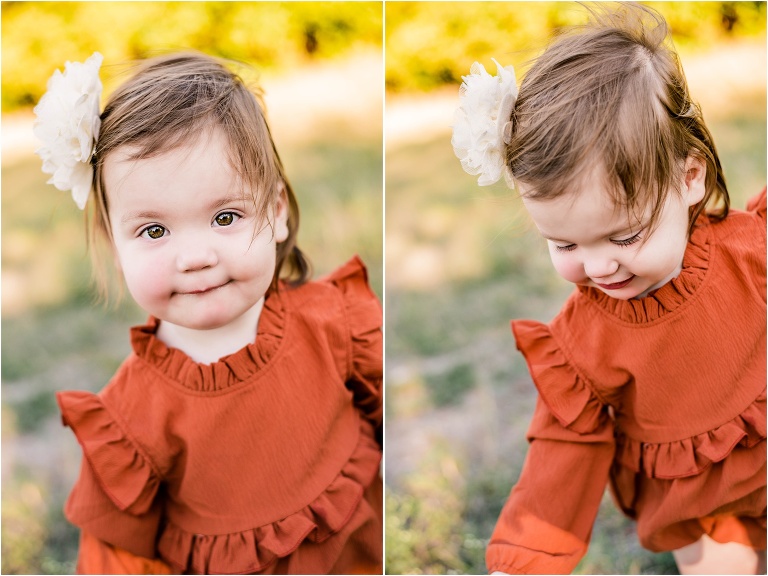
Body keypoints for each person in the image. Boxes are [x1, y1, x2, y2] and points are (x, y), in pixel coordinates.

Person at [35, 51, 382, 574]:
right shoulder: (129, 420)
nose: (195, 256)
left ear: (277, 212)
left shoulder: (335, 322)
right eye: (154, 231)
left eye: (225, 216)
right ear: (114, 245)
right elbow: (119, 560)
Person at [451, 3, 765, 574]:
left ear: (689, 177)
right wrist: (524, 560)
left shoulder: (752, 253)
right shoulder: (583, 345)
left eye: (624, 235)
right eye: (565, 245)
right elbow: (560, 454)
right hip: (699, 505)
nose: (598, 267)